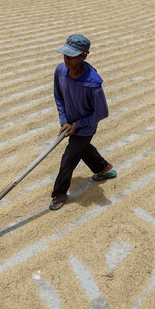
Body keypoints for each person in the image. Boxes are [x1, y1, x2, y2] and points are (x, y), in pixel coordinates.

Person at [50, 34, 117, 210]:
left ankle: (60, 193)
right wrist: (64, 121)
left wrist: (77, 125)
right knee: (82, 149)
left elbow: (102, 113)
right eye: (65, 54)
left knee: (68, 159)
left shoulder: (93, 84)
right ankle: (103, 167)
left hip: (86, 127)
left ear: (83, 56)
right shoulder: (59, 71)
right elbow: (59, 97)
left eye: (71, 56)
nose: (66, 59)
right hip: (70, 123)